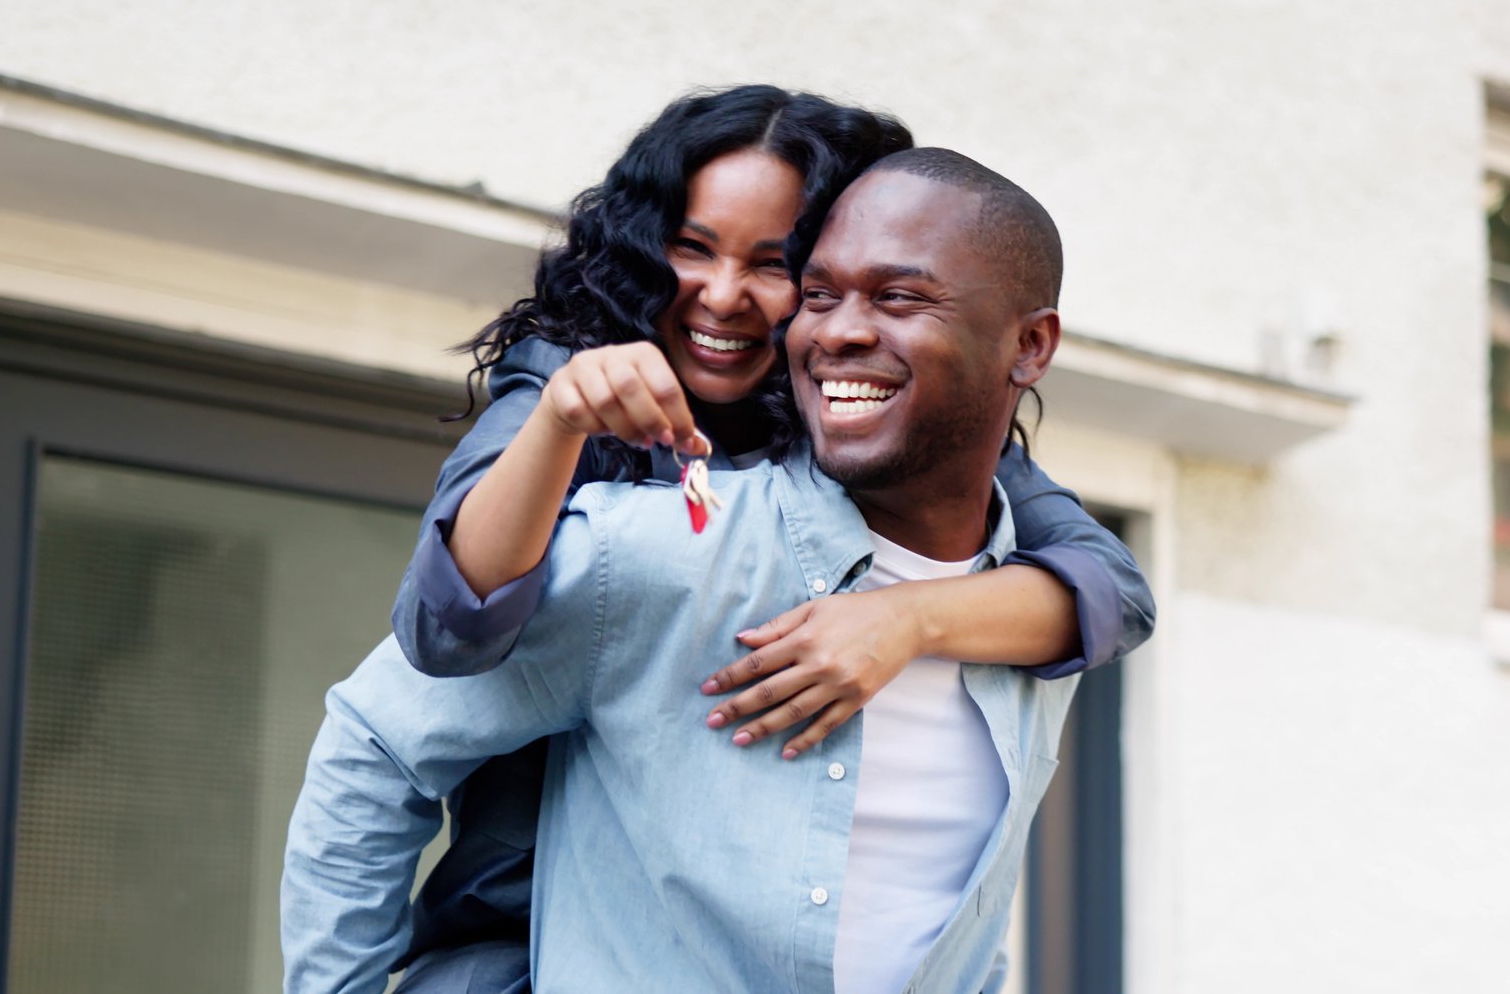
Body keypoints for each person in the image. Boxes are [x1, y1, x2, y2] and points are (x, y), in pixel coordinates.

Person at [285, 147, 1130, 992]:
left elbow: (948, 933)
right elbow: (389, 720)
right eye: (823, 294)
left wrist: (914, 616)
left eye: (899, 294)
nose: (835, 328)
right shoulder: (651, 544)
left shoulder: (1032, 614)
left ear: (1030, 345)